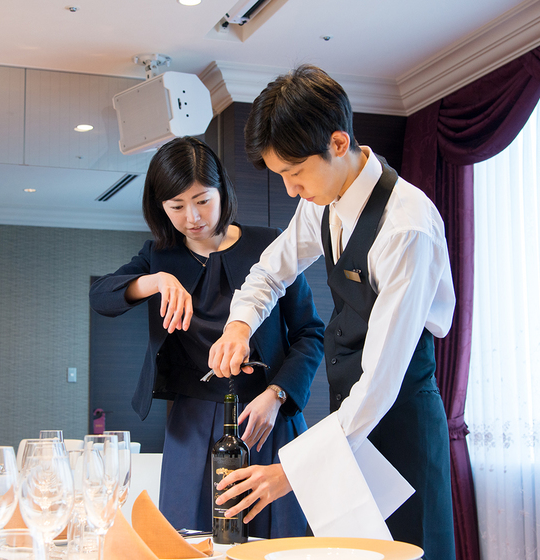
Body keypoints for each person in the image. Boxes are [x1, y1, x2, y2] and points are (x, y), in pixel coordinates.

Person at [208, 65, 457, 559]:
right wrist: (239, 325)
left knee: (413, 551)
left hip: (400, 418)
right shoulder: (321, 201)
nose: (290, 189)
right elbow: (272, 271)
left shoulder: (407, 227)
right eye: (281, 175)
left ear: (338, 143)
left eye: (295, 172)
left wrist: (292, 471)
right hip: (349, 420)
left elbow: (382, 379)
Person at [89, 136, 324, 538]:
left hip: (265, 417)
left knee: (275, 540)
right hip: (192, 423)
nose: (193, 217)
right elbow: (101, 296)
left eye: (202, 200)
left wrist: (277, 394)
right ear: (160, 207)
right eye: (177, 206)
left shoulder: (270, 245)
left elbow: (310, 333)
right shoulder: (159, 256)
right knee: (187, 540)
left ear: (222, 192)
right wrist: (155, 280)